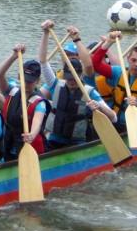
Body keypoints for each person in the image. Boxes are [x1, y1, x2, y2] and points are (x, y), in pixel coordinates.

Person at [38, 20, 117, 148]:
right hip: (54, 138)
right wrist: (45, 33)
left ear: (81, 75)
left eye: (74, 78)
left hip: (77, 142)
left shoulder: (90, 92)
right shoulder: (55, 84)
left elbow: (114, 118)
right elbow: (42, 61)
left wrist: (99, 107)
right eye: (69, 77)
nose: (71, 81)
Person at [0, 43, 50, 159]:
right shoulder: (12, 90)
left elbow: (38, 122)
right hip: (10, 144)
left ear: (38, 81)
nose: (26, 84)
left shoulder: (39, 102)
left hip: (29, 146)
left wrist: (32, 135)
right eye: (24, 79)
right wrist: (13, 56)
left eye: (30, 81)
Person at [91, 31, 137, 129]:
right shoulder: (118, 72)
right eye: (134, 60)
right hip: (115, 122)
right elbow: (95, 64)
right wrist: (108, 43)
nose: (136, 64)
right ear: (128, 58)